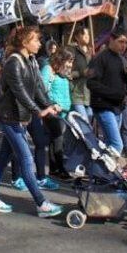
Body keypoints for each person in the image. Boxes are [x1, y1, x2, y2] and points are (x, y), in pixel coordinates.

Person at [0, 26, 63, 218]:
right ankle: (41, 204)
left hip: (20, 118)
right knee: (27, 159)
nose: (39, 43)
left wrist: (50, 104)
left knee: (2, 160)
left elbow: (37, 89)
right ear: (25, 42)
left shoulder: (32, 61)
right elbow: (21, 93)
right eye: (36, 40)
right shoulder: (13, 63)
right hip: (10, 119)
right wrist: (39, 111)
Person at [87, 28, 127, 154]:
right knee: (117, 145)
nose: (123, 46)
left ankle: (102, 172)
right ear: (111, 40)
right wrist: (113, 94)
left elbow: (123, 82)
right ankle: (105, 170)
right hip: (103, 106)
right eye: (121, 41)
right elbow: (91, 83)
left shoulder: (122, 59)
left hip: (117, 107)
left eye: (126, 43)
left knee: (109, 145)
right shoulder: (100, 58)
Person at [41, 48, 73, 179]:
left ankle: (54, 169)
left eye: (72, 62)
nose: (70, 65)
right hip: (52, 112)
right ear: (60, 60)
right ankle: (61, 169)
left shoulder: (63, 73)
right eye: (68, 61)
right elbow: (42, 90)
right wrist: (53, 104)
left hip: (63, 112)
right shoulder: (48, 70)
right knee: (58, 139)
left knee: (55, 140)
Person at [68, 27, 93, 122]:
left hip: (89, 94)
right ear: (77, 37)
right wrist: (82, 73)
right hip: (77, 93)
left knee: (89, 121)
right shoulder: (72, 51)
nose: (87, 37)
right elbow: (67, 72)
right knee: (84, 123)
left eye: (88, 34)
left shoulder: (91, 52)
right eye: (84, 34)